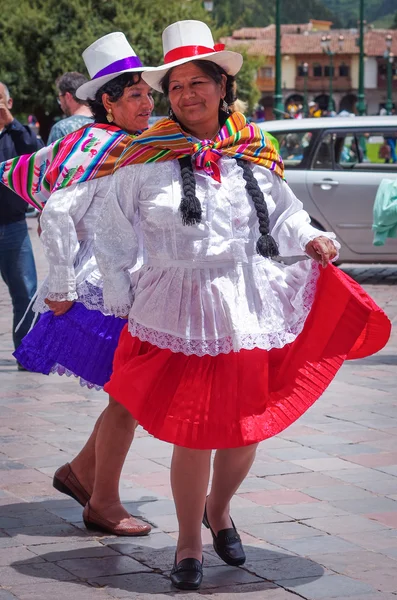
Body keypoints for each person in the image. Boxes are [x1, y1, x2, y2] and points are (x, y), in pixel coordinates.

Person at [93, 20, 390, 589]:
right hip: (175, 309)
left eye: (197, 82)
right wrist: (120, 288)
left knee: (244, 430)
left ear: (222, 87)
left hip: (244, 304)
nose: (186, 95)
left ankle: (219, 507)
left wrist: (312, 239)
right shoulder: (141, 157)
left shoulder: (254, 149)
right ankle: (187, 543)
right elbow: (110, 233)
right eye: (175, 86)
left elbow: (285, 212)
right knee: (193, 431)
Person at [1, 33, 154, 536]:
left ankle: (82, 475)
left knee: (129, 395)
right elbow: (61, 215)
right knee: (129, 396)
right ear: (106, 102)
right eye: (135, 95)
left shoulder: (133, 143)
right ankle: (102, 500)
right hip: (98, 290)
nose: (147, 103)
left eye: (148, 94)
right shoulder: (96, 145)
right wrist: (61, 286)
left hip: (127, 286)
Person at [0, 82, 43, 366]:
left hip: (13, 225)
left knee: (26, 293)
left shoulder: (18, 135)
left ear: (9, 102)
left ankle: (26, 355)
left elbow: (39, 154)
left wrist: (11, 124)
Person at [47, 72, 94, 143]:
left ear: (68, 96)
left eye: (60, 98)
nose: (60, 104)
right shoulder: (105, 122)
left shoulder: (60, 129)